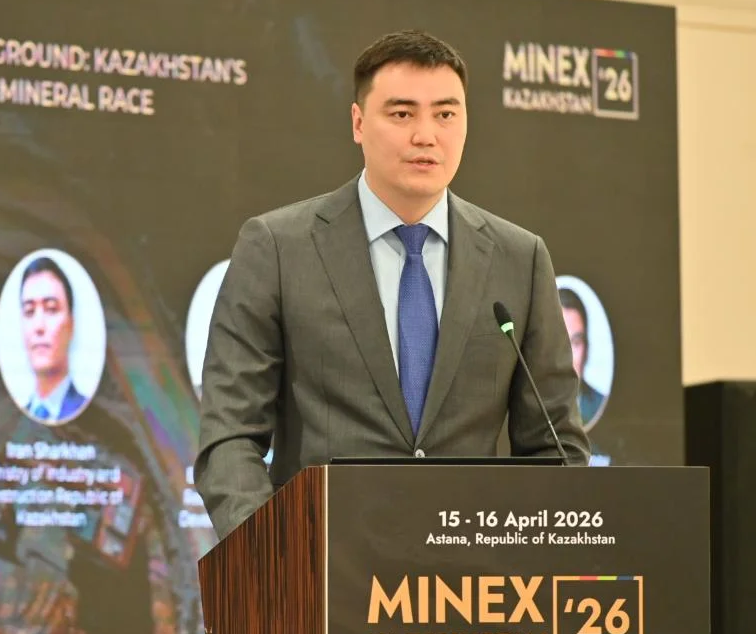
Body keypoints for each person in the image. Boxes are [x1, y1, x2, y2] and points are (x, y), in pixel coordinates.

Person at [194, 29, 591, 539]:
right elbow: (230, 435)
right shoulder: (278, 247)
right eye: (402, 114)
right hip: (320, 562)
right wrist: (270, 553)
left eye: (445, 114)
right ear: (358, 123)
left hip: (473, 571)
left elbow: (556, 448)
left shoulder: (520, 258)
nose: (426, 135)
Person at [18, 256, 88, 424]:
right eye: (29, 311)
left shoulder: (91, 416)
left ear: (71, 325)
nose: (38, 326)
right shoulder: (9, 422)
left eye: (51, 309)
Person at [559, 287, 608, 428]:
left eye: (576, 343)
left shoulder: (599, 406)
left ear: (586, 347)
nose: (568, 356)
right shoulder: (530, 407)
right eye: (559, 342)